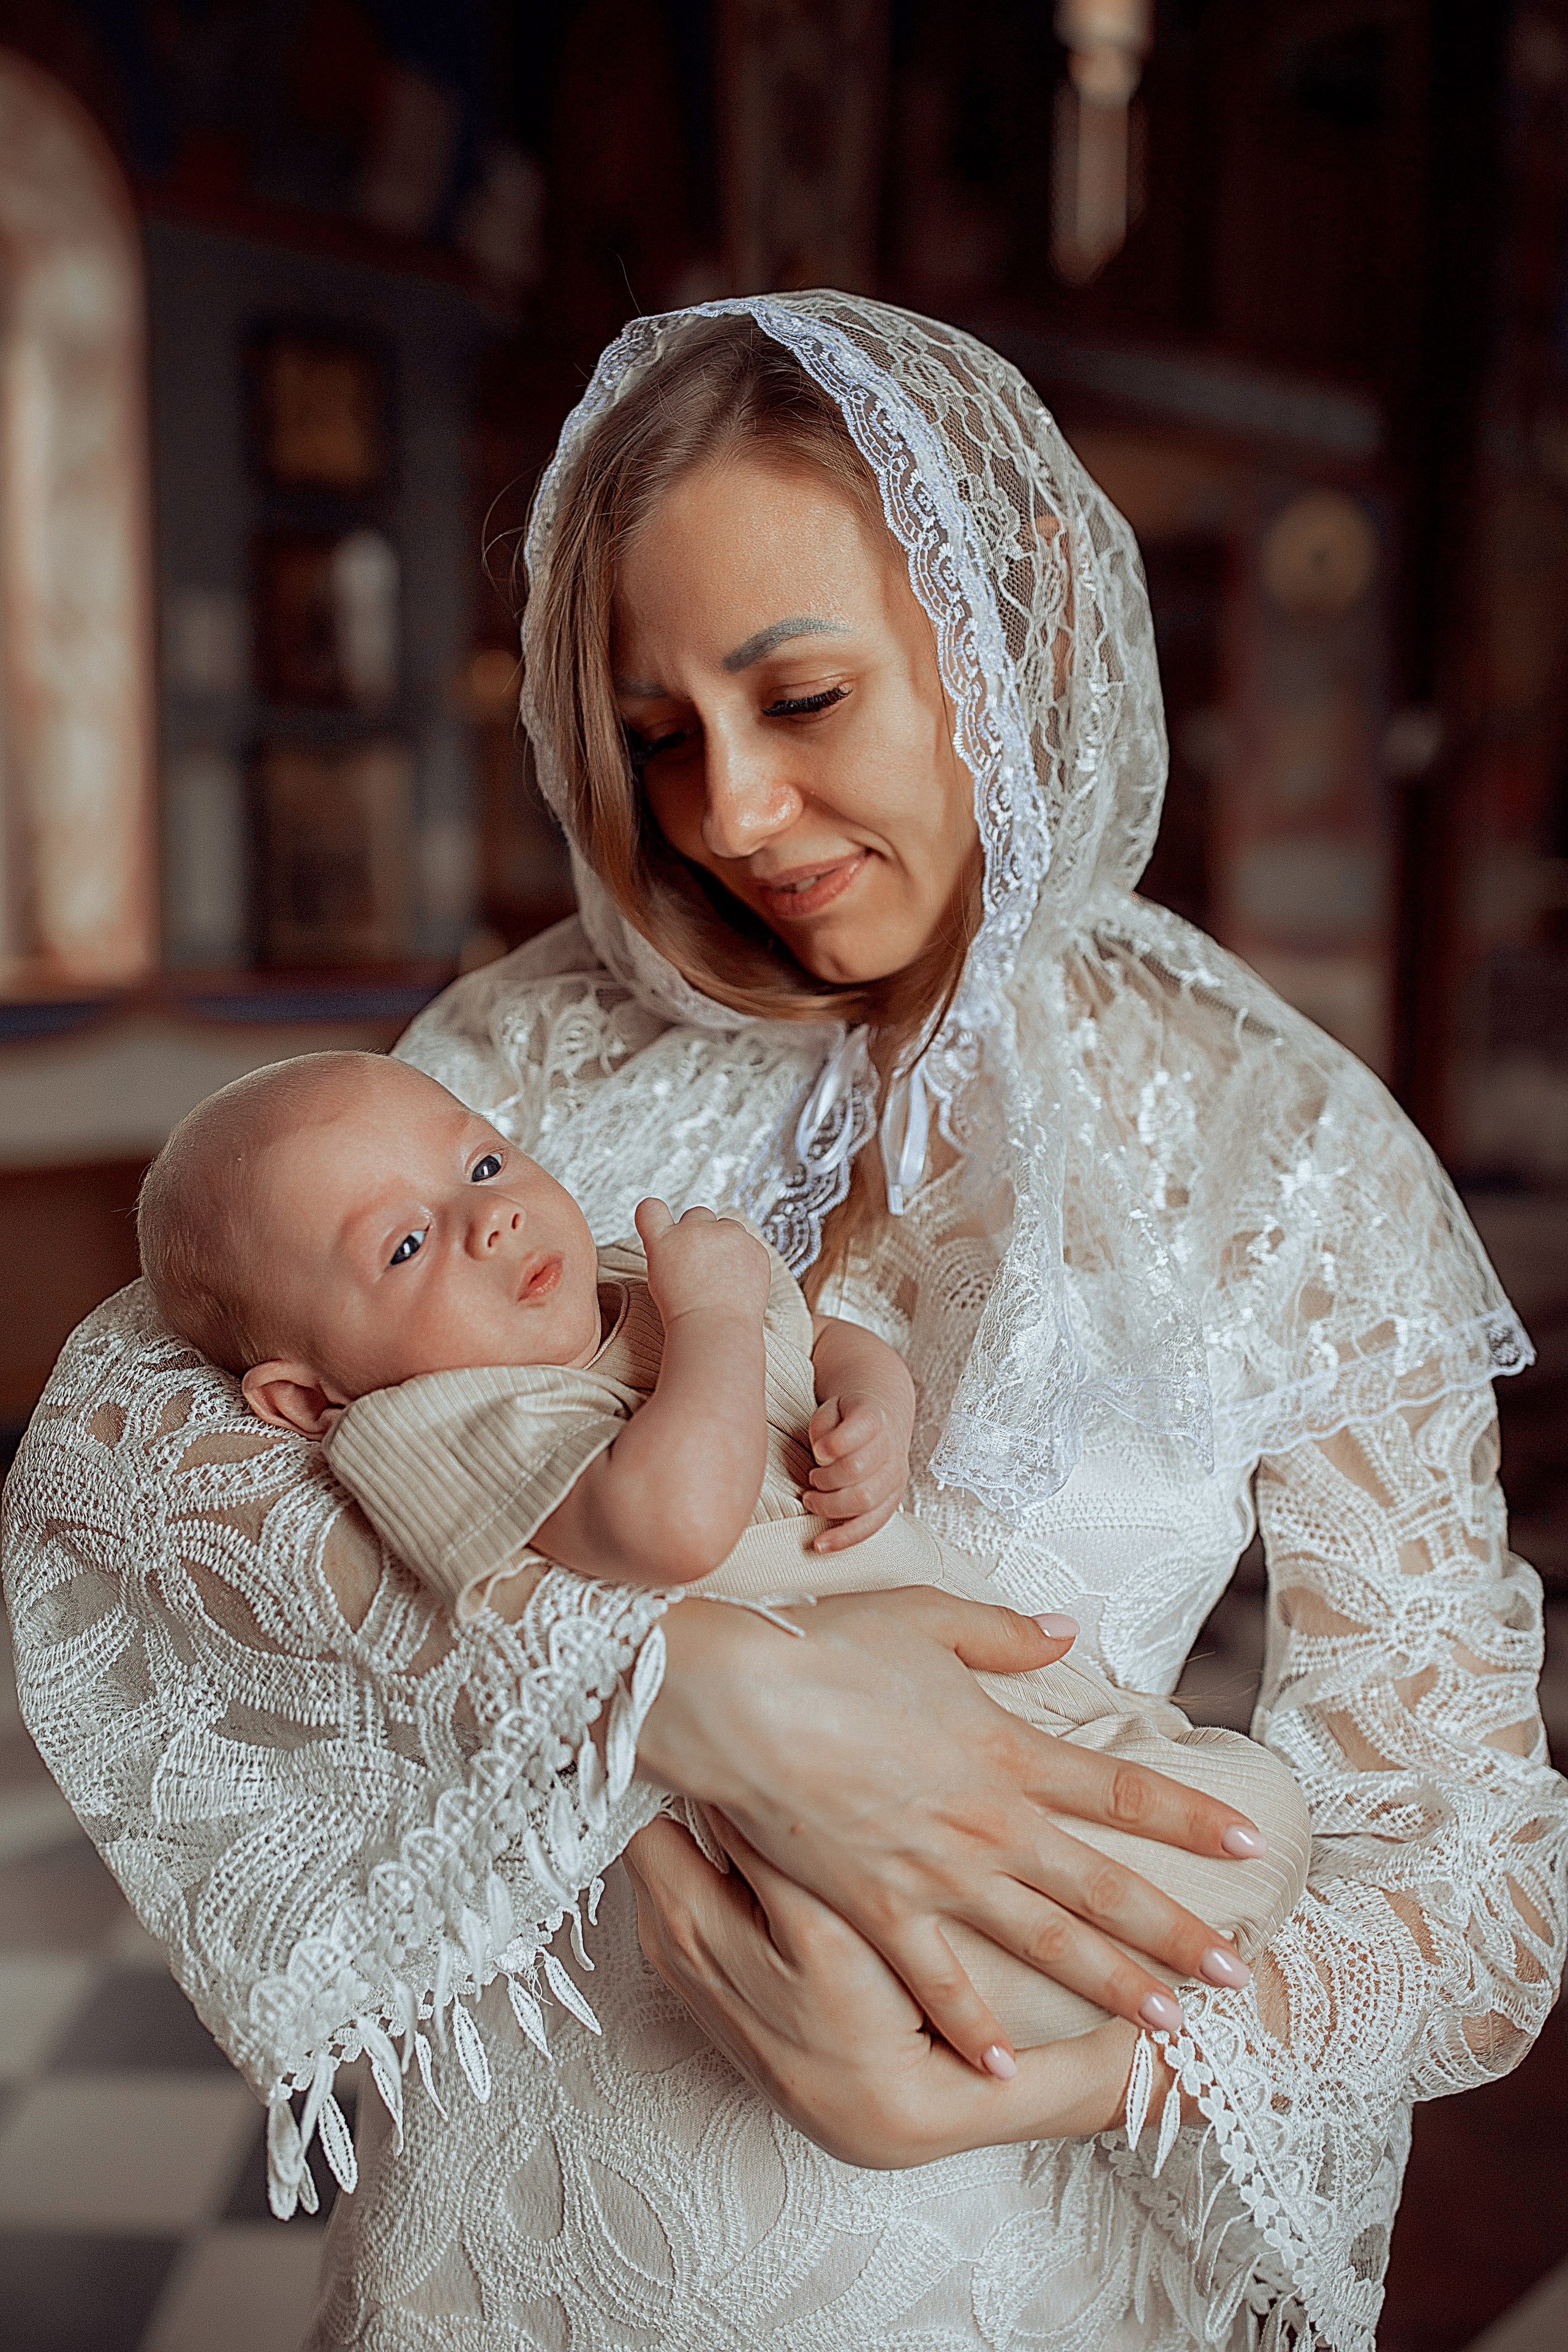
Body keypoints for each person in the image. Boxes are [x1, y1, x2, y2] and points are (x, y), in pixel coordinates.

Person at [3, 295, 1563, 2352]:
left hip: (972, 2243)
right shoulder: (521, 1061)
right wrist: (683, 1693)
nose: (728, 813)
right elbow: (123, 1448)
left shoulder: (1278, 1152)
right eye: (662, 734)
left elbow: (1472, 1885)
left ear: (1003, 641)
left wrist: (1049, 2075)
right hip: (509, 2255)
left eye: (801, 697)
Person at [132, 1045, 1310, 2058]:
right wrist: (715, 1317)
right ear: (304, 1396)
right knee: (970, 1911)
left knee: (1255, 1806)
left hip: (987, 1693)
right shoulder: (429, 1423)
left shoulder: (629, 1277)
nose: (487, 1215)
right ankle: (909, 1999)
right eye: (402, 1246)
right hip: (809, 1804)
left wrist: (874, 1412)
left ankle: (1009, 2000)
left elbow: (831, 1340)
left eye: (482, 1163)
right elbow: (668, 1524)